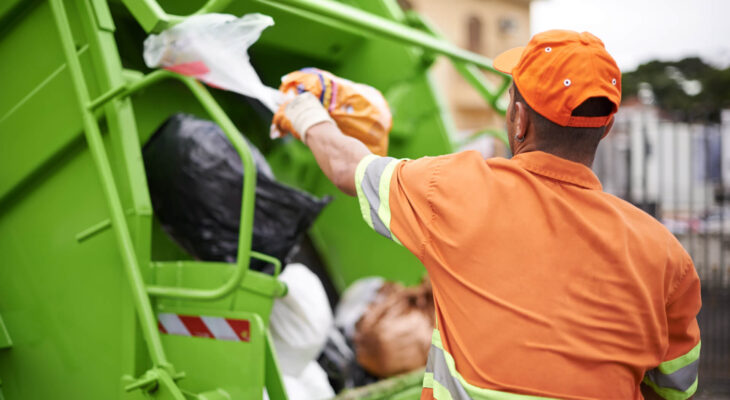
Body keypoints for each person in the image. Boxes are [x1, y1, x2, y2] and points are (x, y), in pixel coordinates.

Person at [273, 30, 701, 400]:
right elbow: (675, 386)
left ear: (518, 120)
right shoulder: (665, 255)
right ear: (605, 127)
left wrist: (306, 111)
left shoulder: (453, 189)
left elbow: (350, 169)